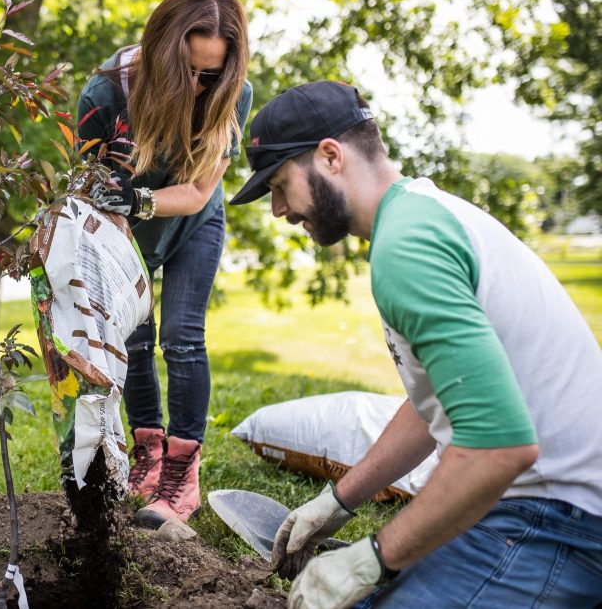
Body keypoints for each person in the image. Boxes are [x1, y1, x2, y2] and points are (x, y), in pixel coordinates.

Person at [229, 80, 602, 609]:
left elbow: (499, 447)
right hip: (536, 505)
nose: (279, 211)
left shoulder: (406, 248)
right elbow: (438, 405)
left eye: (280, 185)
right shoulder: (421, 215)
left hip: (556, 520)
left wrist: (372, 558)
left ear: (330, 157)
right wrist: (338, 500)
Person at [77, 0, 253, 528]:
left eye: (213, 74)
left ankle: (182, 474)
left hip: (193, 222)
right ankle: (148, 456)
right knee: (134, 339)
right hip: (127, 228)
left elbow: (199, 193)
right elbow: (94, 195)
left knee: (182, 336)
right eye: (192, 73)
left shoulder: (231, 92)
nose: (202, 86)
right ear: (161, 53)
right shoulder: (105, 96)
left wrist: (140, 198)